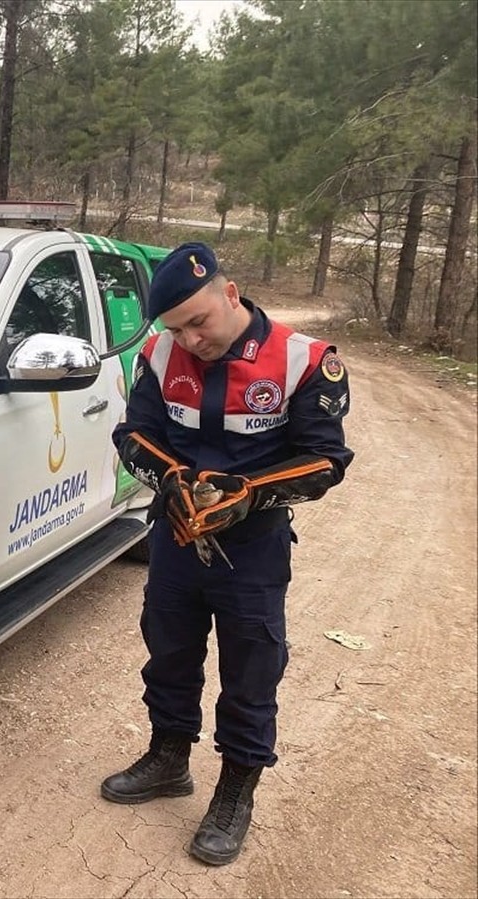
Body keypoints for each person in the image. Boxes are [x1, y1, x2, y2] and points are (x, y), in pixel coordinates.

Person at [103, 241, 353, 865]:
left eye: (199, 321)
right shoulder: (160, 354)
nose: (191, 338)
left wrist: (250, 495)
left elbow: (326, 462)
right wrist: (172, 482)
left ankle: (235, 791)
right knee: (168, 654)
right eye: (177, 328)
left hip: (254, 548)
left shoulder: (304, 360)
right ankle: (168, 759)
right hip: (177, 539)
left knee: (250, 673)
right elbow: (132, 435)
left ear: (230, 293)